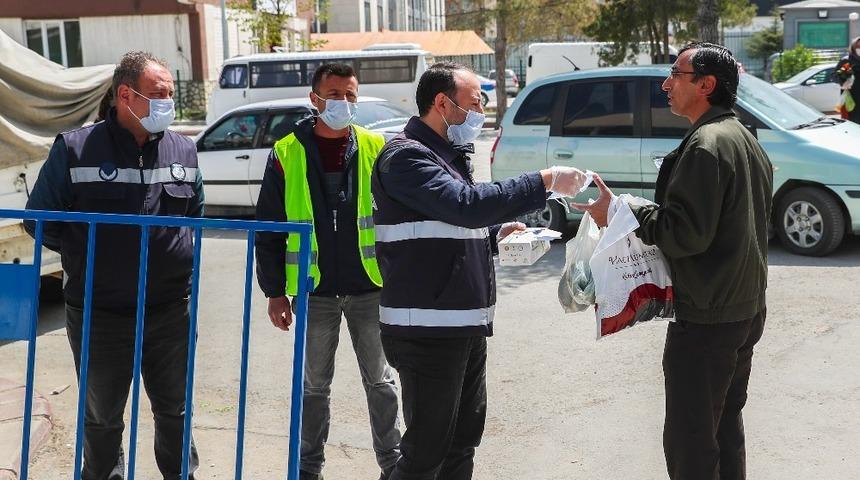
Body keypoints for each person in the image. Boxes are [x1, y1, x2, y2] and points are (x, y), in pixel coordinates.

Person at [371, 61, 588, 480]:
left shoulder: (447, 156)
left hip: (462, 326)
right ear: (441, 103)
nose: (481, 114)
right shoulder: (406, 157)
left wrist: (494, 235)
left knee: (461, 444)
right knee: (424, 454)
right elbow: (465, 206)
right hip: (426, 330)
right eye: (475, 103)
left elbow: (454, 224)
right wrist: (544, 180)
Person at [573, 42, 773, 480]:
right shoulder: (743, 137)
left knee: (692, 440)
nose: (665, 84)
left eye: (675, 75)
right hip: (742, 307)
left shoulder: (707, 145)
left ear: (706, 84)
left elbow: (686, 234)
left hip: (708, 317)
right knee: (723, 430)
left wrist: (625, 213)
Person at [24, 51, 203, 479]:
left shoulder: (184, 149)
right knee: (102, 417)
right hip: (99, 314)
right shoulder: (76, 148)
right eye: (159, 95)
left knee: (175, 410)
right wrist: (87, 257)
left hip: (169, 310)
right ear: (126, 95)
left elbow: (194, 217)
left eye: (171, 96)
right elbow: (39, 220)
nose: (168, 104)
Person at [254, 63, 401, 480]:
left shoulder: (377, 146)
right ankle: (308, 468)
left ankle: (393, 464)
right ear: (314, 98)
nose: (343, 102)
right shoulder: (286, 152)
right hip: (312, 291)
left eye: (350, 95)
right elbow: (269, 230)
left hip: (370, 287)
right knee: (315, 387)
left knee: (382, 381)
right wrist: (274, 292)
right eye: (334, 94)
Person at [833, 36, 860, 123]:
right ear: (853, 47)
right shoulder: (846, 60)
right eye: (858, 47)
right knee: (853, 122)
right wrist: (844, 80)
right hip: (852, 97)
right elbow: (834, 76)